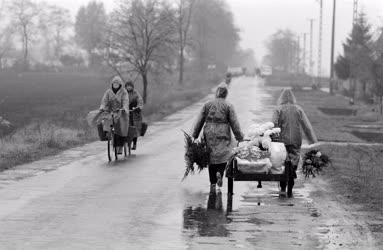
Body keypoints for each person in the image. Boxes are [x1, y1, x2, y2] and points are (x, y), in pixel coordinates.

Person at [193, 83, 244, 192]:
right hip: (223, 131)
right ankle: (219, 173)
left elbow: (200, 120)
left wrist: (195, 134)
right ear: (226, 94)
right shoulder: (228, 106)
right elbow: (234, 123)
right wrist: (239, 136)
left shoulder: (207, 104)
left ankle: (212, 183)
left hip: (209, 132)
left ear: (216, 93)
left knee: (211, 156)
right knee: (224, 154)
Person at [272, 89, 318, 198]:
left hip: (282, 140)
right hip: (296, 140)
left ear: (281, 98)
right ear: (293, 98)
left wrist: (272, 139)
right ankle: (291, 177)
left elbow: (273, 124)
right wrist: (312, 141)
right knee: (294, 159)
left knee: (283, 161)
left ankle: (283, 185)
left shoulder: (278, 109)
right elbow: (307, 126)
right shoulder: (298, 109)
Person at [99, 75, 130, 154]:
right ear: (112, 84)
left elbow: (125, 101)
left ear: (120, 84)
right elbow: (104, 101)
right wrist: (102, 107)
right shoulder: (108, 92)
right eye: (114, 83)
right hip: (111, 111)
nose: (115, 85)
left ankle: (120, 146)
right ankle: (107, 133)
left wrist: (124, 108)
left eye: (117, 83)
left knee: (122, 126)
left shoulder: (124, 92)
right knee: (105, 119)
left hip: (121, 112)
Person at [125, 81, 144, 150]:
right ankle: (127, 142)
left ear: (132, 87)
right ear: (125, 87)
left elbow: (140, 100)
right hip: (126, 112)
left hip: (135, 112)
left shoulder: (136, 93)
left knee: (134, 128)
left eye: (130, 86)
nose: (128, 87)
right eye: (127, 86)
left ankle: (134, 144)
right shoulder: (124, 93)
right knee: (126, 127)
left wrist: (138, 107)